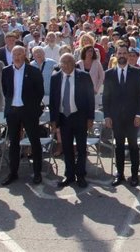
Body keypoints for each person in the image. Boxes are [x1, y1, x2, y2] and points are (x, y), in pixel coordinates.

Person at [1, 46, 45, 186]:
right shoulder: (6, 71)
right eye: (15, 54)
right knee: (13, 143)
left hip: (29, 112)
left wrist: (32, 107)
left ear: (24, 55)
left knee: (35, 142)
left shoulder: (33, 71)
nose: (17, 56)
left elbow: (40, 92)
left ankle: (37, 173)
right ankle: (13, 173)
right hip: (13, 112)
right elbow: (5, 90)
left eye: (20, 54)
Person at [50, 53, 95, 189]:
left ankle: (80, 175)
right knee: (67, 148)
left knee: (81, 148)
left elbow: (90, 98)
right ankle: (69, 175)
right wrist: (53, 120)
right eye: (63, 62)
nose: (66, 65)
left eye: (69, 62)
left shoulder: (84, 76)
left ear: (74, 63)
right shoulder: (55, 78)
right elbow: (53, 100)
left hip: (80, 117)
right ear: (60, 64)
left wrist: (90, 118)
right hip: (64, 118)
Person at [102, 44, 140, 187]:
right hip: (116, 118)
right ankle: (119, 174)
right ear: (115, 55)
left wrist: (139, 115)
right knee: (119, 146)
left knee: (133, 146)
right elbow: (106, 97)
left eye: (124, 53)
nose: (122, 55)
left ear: (128, 55)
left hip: (133, 117)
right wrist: (107, 116)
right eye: (119, 53)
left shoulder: (136, 72)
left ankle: (134, 175)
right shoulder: (109, 73)